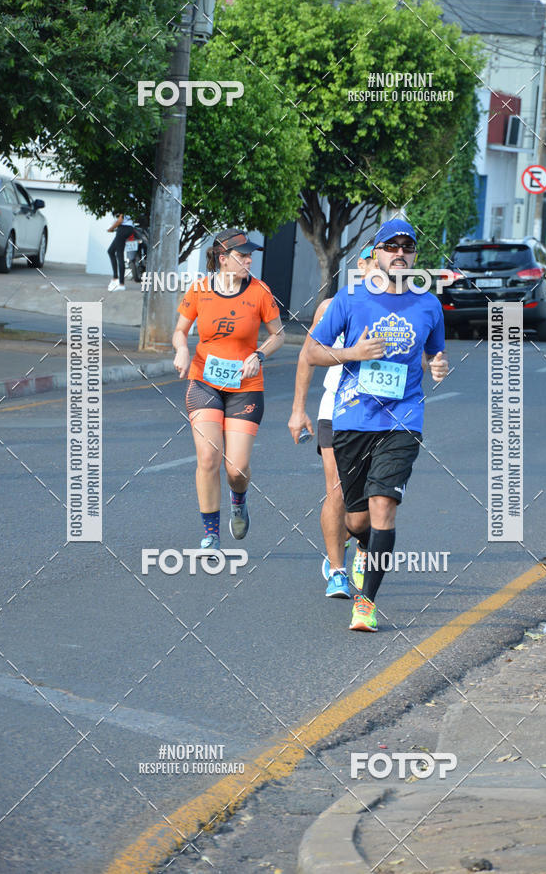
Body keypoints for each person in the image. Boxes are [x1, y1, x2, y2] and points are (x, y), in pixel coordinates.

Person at [305, 220, 449, 631]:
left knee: (383, 505)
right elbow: (312, 352)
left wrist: (438, 367)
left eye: (408, 247)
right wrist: (354, 351)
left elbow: (436, 357)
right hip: (352, 419)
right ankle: (361, 546)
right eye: (391, 246)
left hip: (402, 419)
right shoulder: (350, 300)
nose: (400, 253)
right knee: (357, 520)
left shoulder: (428, 305)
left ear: (414, 256)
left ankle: (365, 603)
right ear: (377, 253)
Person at [172, 228, 284, 550]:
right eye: (242, 256)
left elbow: (278, 334)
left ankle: (239, 497)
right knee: (208, 457)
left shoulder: (260, 291)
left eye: (250, 256)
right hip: (204, 381)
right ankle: (211, 533)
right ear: (223, 259)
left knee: (235, 468)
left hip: (245, 387)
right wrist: (181, 349)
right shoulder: (200, 289)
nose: (249, 260)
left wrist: (259, 354)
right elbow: (180, 330)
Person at [288, 246, 377, 600]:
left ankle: (364, 545)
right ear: (363, 265)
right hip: (336, 409)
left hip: (378, 413)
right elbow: (307, 355)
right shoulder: (332, 306)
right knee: (336, 489)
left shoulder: (399, 307)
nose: (380, 268)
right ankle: (337, 571)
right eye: (373, 261)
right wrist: (298, 409)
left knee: (372, 496)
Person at [107, 211, 136, 291]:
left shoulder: (122, 204)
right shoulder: (129, 204)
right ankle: (115, 277)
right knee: (111, 251)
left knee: (119, 255)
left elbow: (120, 221)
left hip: (123, 229)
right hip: (128, 229)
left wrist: (111, 228)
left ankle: (121, 284)